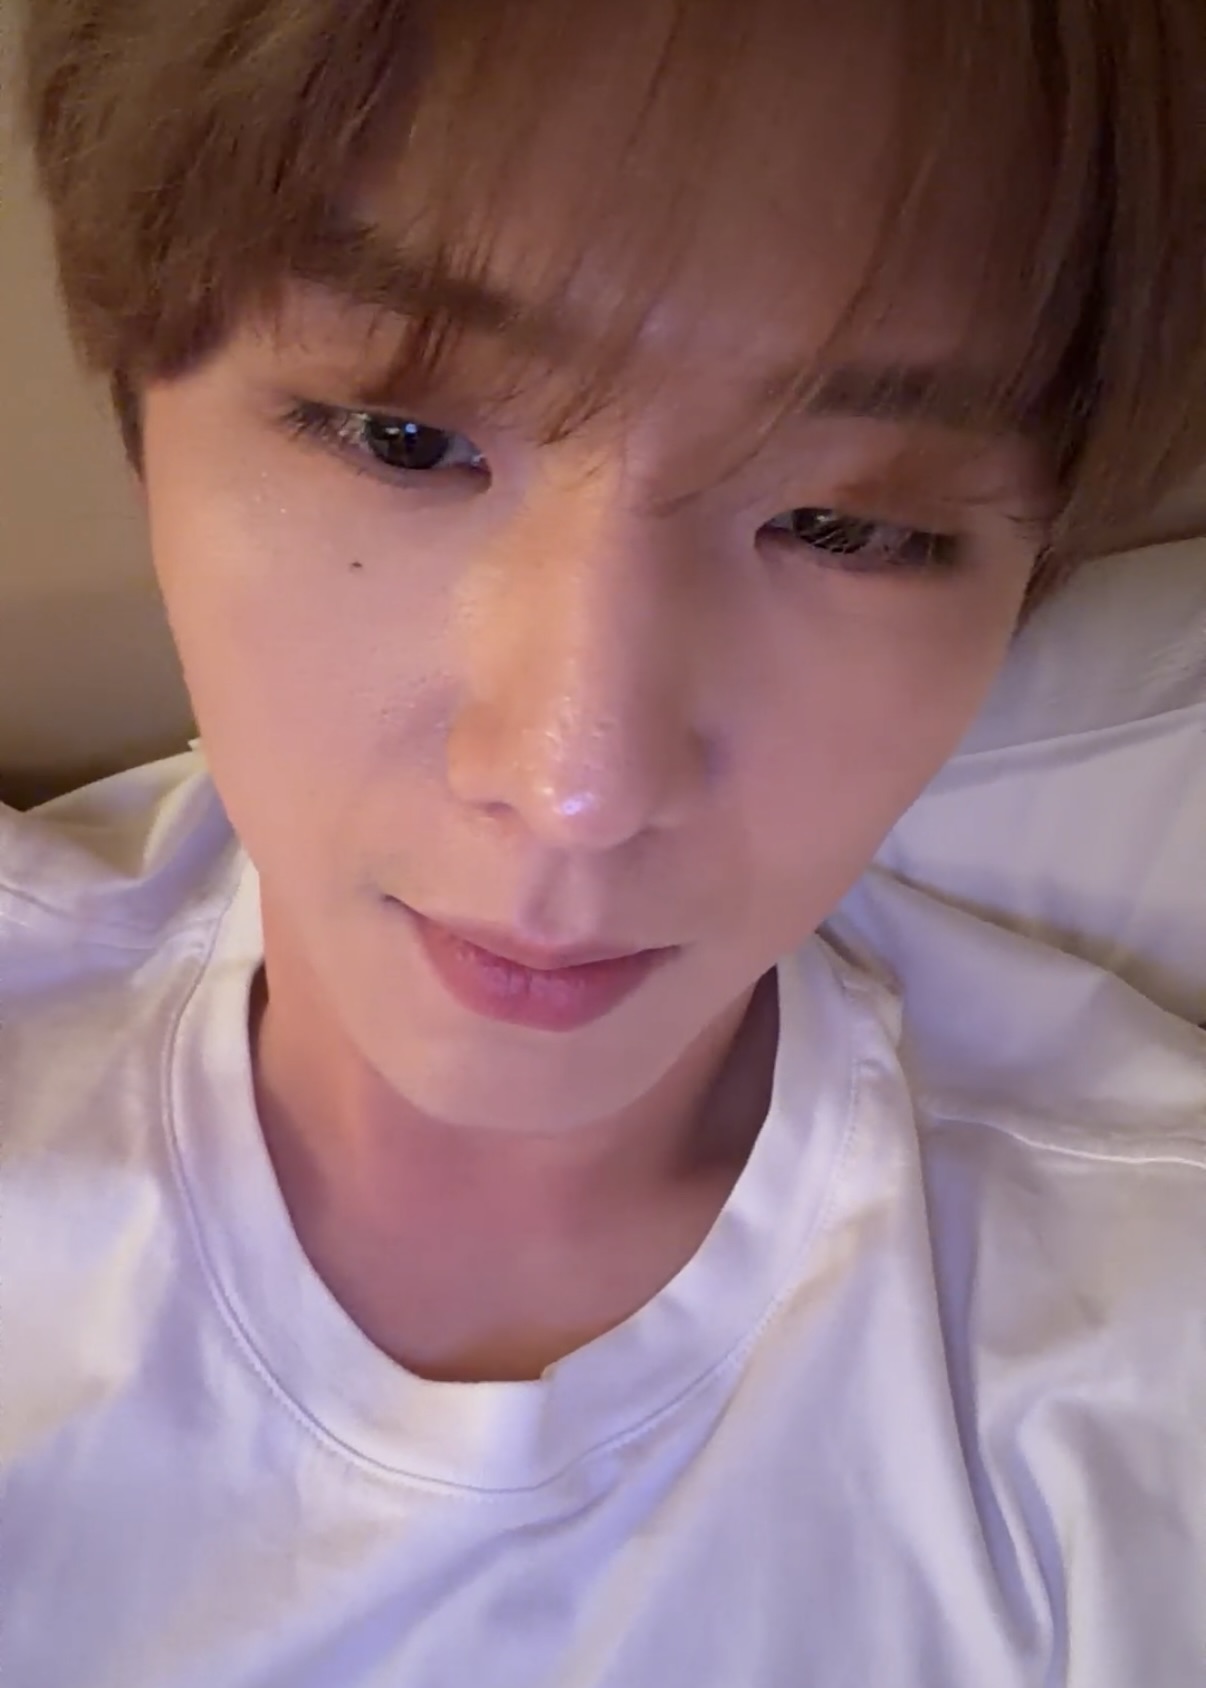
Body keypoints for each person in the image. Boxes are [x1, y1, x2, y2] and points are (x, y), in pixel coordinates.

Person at [3, 1, 1205, 1683]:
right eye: (406, 440)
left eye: (844, 524)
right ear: (146, 410)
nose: (577, 786)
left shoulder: (1138, 1367)